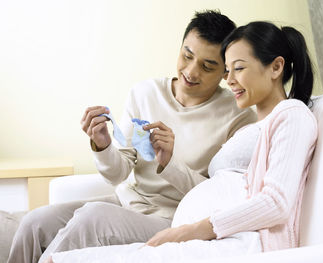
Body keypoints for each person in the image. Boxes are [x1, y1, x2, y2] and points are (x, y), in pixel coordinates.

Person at [45, 21, 318, 263]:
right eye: (228, 71)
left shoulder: (287, 116)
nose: (229, 80)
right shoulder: (260, 124)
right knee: (41, 227)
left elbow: (275, 202)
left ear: (277, 67)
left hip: (206, 233)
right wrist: (103, 145)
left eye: (237, 69)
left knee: (85, 230)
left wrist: (191, 230)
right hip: (187, 227)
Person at [8, 10, 256, 263]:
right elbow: (117, 174)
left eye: (207, 66)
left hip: (174, 217)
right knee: (34, 222)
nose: (191, 72)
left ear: (225, 72)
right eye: (187, 56)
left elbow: (222, 196)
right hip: (126, 202)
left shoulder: (237, 115)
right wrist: (103, 146)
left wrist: (170, 163)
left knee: (92, 217)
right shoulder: (145, 93)